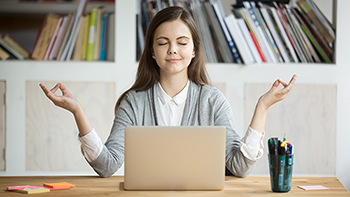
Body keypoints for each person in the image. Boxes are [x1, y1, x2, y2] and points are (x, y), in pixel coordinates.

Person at [40, 6, 297, 178]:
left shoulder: (212, 100)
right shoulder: (134, 102)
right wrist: (77, 111)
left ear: (194, 50)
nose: (173, 50)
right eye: (163, 43)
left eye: (182, 43)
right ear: (152, 51)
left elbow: (239, 167)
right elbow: (107, 166)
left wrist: (262, 107)